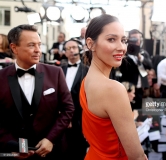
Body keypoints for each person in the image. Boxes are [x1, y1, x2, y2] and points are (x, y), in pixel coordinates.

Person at [0, 24, 74, 159]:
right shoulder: (1, 78)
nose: (38, 50)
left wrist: (51, 139)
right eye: (31, 45)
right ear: (14, 48)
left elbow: (68, 109)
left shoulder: (55, 73)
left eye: (39, 45)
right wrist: (15, 147)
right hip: (16, 153)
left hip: (53, 152)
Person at [79, 14, 147, 160]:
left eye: (123, 40)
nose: (121, 47)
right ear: (90, 44)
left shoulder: (87, 81)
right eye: (111, 39)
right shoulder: (113, 88)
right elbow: (136, 156)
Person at [61, 38, 89, 160]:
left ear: (79, 50)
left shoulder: (87, 70)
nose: (71, 50)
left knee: (79, 150)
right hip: (62, 117)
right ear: (65, 52)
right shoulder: (59, 70)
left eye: (74, 48)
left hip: (80, 116)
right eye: (68, 48)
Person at [119, 29, 152, 110]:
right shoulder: (124, 53)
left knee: (140, 109)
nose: (136, 41)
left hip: (142, 88)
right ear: (129, 39)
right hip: (129, 88)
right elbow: (122, 69)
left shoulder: (143, 53)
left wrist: (140, 57)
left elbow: (150, 65)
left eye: (138, 38)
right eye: (134, 38)